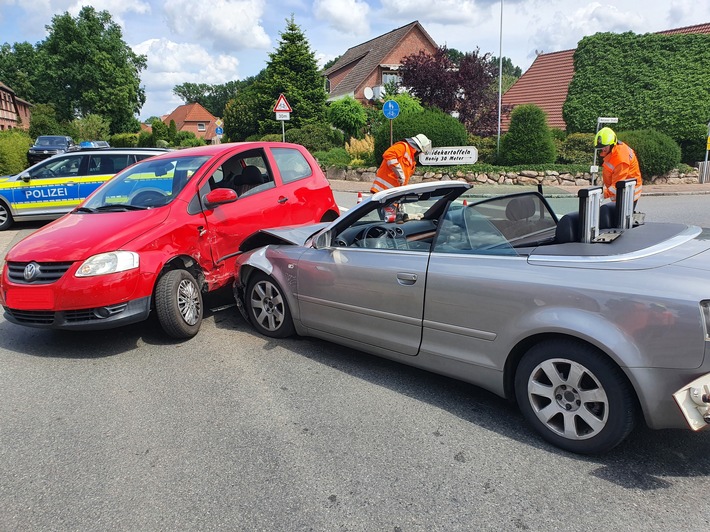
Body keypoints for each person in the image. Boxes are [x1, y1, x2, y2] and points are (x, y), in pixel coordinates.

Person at [595, 127, 642, 206]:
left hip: (628, 195)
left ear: (612, 143)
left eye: (605, 146)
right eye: (601, 146)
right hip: (621, 193)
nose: (603, 149)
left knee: (619, 217)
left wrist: (603, 194)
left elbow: (617, 185)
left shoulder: (620, 159)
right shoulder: (613, 153)